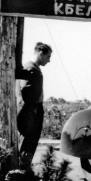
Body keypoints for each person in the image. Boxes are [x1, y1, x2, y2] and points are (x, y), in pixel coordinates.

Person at [16, 42, 52, 171]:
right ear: (40, 53)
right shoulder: (31, 69)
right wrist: (34, 109)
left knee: (28, 141)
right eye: (48, 57)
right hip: (31, 112)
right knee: (28, 141)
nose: (49, 61)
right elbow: (26, 91)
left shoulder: (31, 68)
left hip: (31, 111)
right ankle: (23, 171)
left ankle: (24, 168)